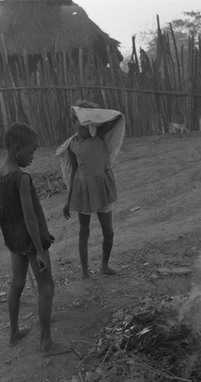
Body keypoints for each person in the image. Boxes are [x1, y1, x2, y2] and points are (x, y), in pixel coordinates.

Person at [0, 122, 70, 356]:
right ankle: (46, 343)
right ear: (17, 149)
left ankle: (13, 333)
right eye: (31, 151)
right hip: (32, 240)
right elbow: (31, 219)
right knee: (47, 288)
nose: (33, 157)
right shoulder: (22, 178)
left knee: (16, 284)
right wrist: (41, 250)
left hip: (13, 240)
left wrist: (12, 229)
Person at [56, 100, 125, 279]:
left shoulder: (99, 134)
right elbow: (73, 173)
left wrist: (92, 115)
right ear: (74, 122)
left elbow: (115, 118)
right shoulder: (72, 145)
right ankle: (85, 270)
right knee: (84, 231)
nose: (87, 126)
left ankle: (104, 265)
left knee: (108, 232)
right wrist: (68, 200)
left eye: (89, 121)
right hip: (83, 189)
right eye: (82, 121)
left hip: (102, 187)